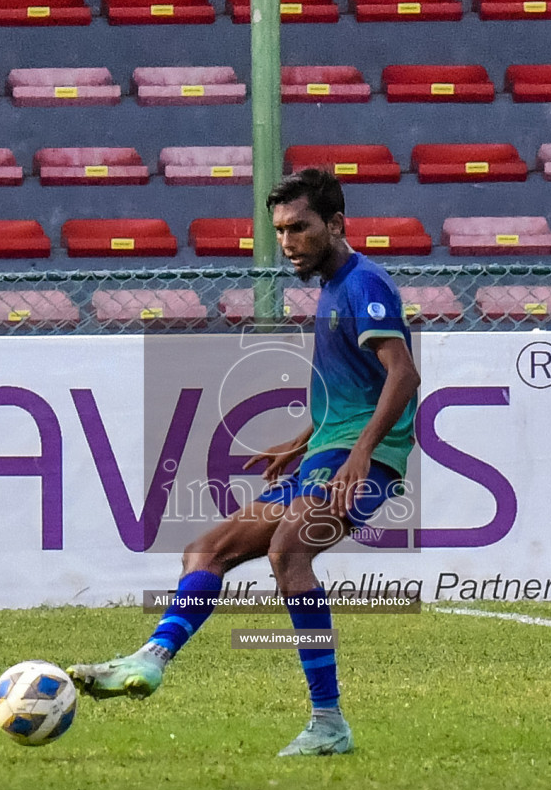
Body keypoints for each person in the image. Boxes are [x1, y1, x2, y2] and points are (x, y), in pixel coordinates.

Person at [68, 168, 420, 757]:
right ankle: (150, 659)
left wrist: (360, 453)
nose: (287, 242)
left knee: (289, 551)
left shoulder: (364, 284)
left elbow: (403, 374)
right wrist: (305, 441)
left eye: (299, 228)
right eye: (279, 230)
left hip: (366, 461)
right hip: (327, 452)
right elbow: (354, 390)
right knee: (206, 550)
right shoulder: (333, 288)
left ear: (335, 225)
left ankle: (328, 723)